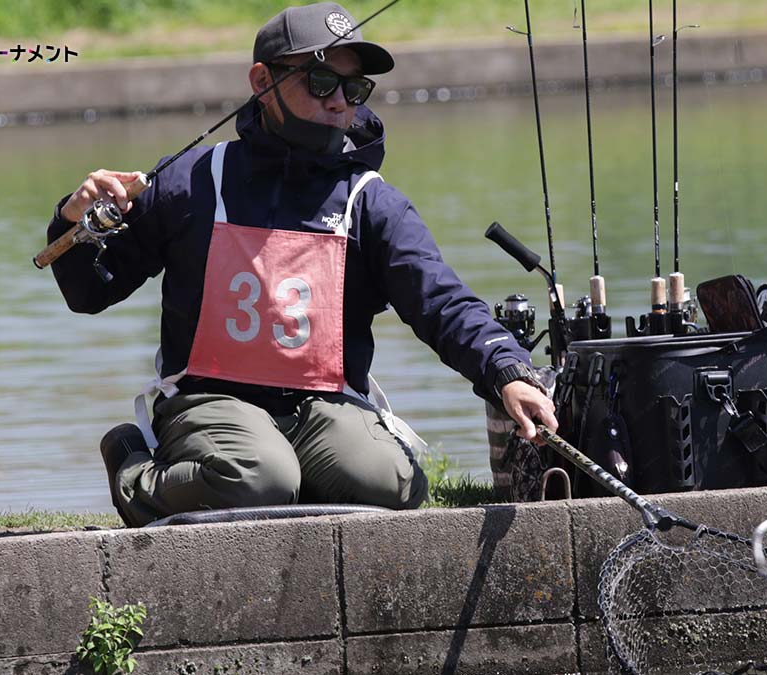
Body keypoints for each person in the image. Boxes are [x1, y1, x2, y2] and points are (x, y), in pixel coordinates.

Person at [47, 2, 557, 527]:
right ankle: (133, 466)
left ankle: (292, 468)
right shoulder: (193, 181)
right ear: (262, 81)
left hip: (324, 406)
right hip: (210, 400)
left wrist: (507, 372)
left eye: (353, 89)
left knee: (394, 484)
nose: (339, 102)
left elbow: (442, 302)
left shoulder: (372, 203)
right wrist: (74, 219)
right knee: (258, 479)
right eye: (320, 81)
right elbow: (89, 292)